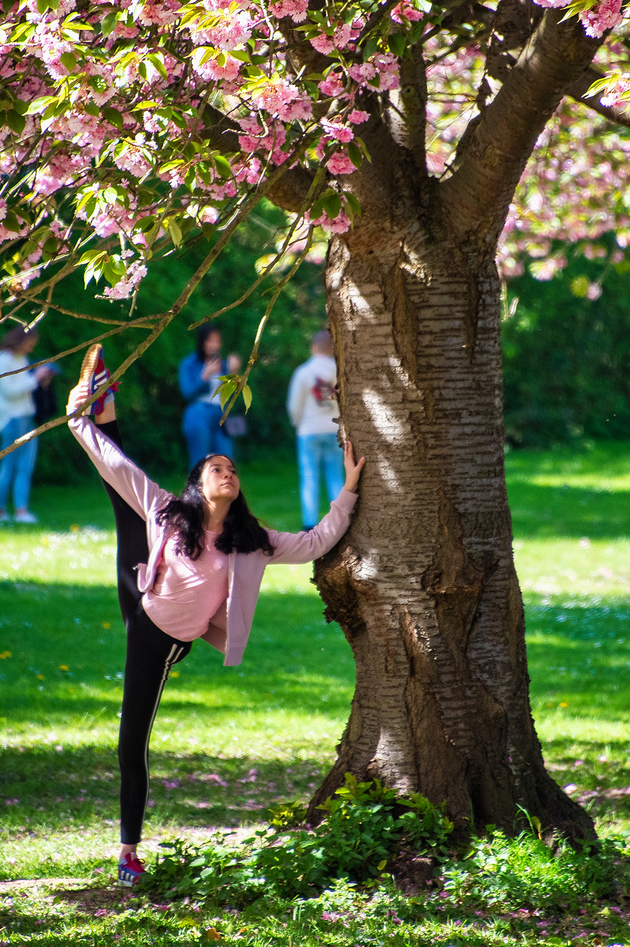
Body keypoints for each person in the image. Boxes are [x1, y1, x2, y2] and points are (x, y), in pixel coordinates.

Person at [65, 345, 365, 889]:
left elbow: (318, 540)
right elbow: (118, 467)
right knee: (124, 501)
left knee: (132, 739)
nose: (227, 471)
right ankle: (101, 410)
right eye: (216, 467)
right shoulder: (168, 510)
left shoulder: (251, 542)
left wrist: (347, 490)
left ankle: (104, 412)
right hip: (145, 615)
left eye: (232, 468)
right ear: (198, 482)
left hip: (169, 635)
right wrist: (76, 421)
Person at [0, 326, 54, 524]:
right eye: (29, 345)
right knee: (8, 465)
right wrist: (35, 378)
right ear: (19, 341)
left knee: (25, 466)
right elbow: (10, 391)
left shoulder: (19, 359)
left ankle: (21, 511)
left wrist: (41, 382)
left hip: (26, 417)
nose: (30, 349)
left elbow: (24, 389)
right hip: (11, 419)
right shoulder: (2, 360)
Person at [286, 330, 344, 530]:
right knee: (335, 474)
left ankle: (309, 522)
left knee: (309, 476)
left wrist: (298, 423)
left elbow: (295, 405)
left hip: (309, 430)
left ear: (313, 347)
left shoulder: (303, 372)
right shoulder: (339, 370)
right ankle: (340, 520)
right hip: (334, 427)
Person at [177, 323, 241, 467]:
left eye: (217, 341)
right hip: (198, 414)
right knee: (201, 464)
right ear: (202, 342)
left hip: (220, 414)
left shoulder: (223, 365)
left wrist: (234, 374)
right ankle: (198, 490)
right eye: (210, 341)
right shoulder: (189, 364)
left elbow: (230, 399)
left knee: (226, 462)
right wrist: (204, 377)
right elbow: (187, 393)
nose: (214, 345)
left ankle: (221, 490)